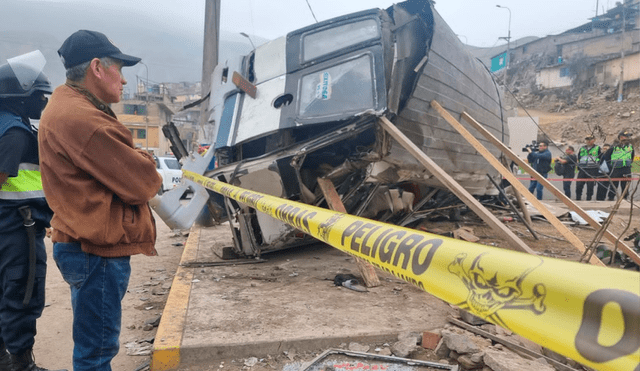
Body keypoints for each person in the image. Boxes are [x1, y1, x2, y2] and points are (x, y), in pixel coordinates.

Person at [38, 30, 162, 371]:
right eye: (119, 70)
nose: (123, 80)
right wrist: (145, 161)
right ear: (96, 67)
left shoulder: (70, 107)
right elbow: (144, 182)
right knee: (96, 352)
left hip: (84, 244)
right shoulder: (84, 119)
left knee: (94, 344)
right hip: (95, 251)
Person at [0, 51, 66, 371]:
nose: (43, 101)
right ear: (21, 96)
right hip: (17, 226)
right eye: (39, 95)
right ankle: (21, 364)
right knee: (22, 293)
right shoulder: (13, 131)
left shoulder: (7, 123)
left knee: (5, 292)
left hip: (13, 224)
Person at [601, 131, 635, 201]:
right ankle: (611, 199)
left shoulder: (630, 146)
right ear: (621, 137)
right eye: (627, 137)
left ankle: (624, 199)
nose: (628, 138)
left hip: (626, 169)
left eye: (628, 137)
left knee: (625, 186)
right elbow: (606, 157)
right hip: (616, 169)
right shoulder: (613, 147)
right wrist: (610, 165)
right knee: (613, 186)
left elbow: (632, 157)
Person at [575, 135, 601, 201]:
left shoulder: (597, 148)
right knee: (579, 185)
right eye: (587, 139)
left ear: (594, 140)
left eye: (590, 139)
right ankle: (578, 198)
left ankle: (588, 199)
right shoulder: (582, 148)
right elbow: (579, 157)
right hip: (582, 169)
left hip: (592, 170)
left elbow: (600, 158)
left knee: (590, 186)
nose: (589, 141)